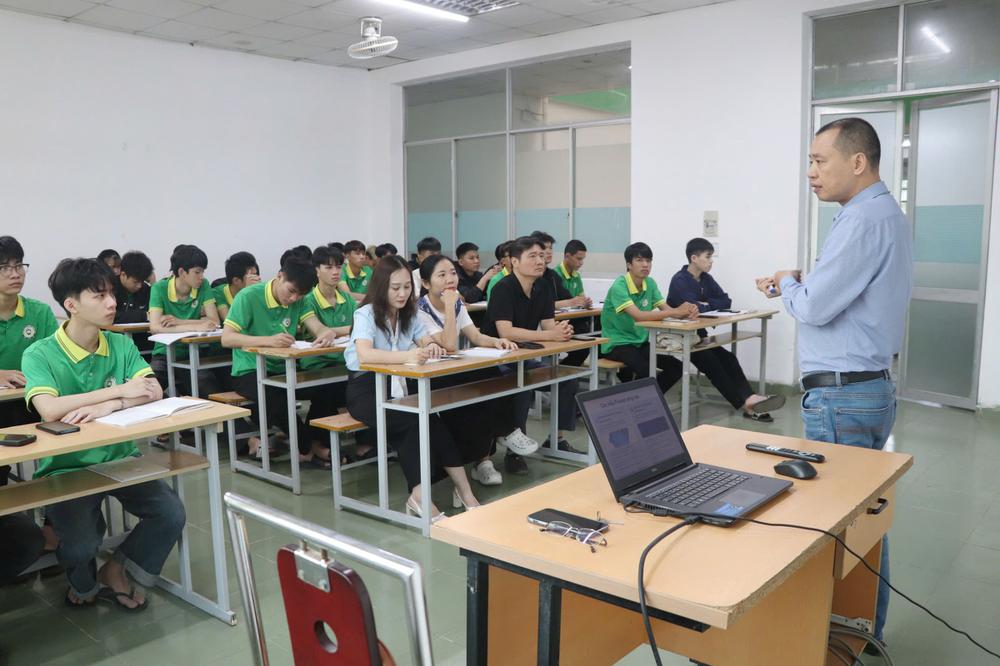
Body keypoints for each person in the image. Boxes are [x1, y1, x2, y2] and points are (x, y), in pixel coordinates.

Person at [756, 117, 911, 651]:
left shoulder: (861, 219)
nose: (811, 172)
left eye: (820, 160)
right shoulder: (884, 215)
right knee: (864, 519)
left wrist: (789, 282)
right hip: (868, 387)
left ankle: (833, 639)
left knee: (836, 523)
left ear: (858, 161)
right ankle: (864, 631)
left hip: (842, 395)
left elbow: (815, 308)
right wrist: (802, 282)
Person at [23, 257, 184, 612]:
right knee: (81, 544)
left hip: (121, 457)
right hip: (67, 467)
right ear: (71, 304)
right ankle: (83, 581)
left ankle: (116, 569)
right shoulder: (40, 353)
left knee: (170, 513)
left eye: (111, 293)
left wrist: (110, 406)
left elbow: (154, 390)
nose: (112, 303)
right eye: (99, 296)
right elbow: (49, 409)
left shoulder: (120, 344)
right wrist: (120, 390)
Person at [344, 255, 480, 520]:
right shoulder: (365, 314)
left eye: (407, 287)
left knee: (433, 420)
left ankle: (466, 493)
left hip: (399, 386)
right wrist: (408, 355)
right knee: (412, 421)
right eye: (395, 288)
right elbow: (365, 354)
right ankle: (419, 496)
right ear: (381, 287)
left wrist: (431, 347)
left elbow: (430, 342)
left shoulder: (410, 314)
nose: (402, 293)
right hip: (366, 389)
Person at [416, 255, 539, 486]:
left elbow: (474, 335)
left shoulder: (456, 303)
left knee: (491, 378)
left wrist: (496, 341)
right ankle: (497, 442)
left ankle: (492, 451)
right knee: (477, 392)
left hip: (452, 370)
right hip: (429, 377)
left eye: (452, 273)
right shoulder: (420, 310)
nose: (450, 279)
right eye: (441, 275)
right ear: (426, 283)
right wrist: (450, 306)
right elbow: (449, 345)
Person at [222, 254, 342, 465]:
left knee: (326, 388)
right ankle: (308, 446)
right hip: (249, 371)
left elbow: (316, 326)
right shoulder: (248, 296)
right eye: (291, 291)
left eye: (300, 294)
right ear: (280, 276)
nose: (294, 299)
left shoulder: (301, 299)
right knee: (277, 398)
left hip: (284, 368)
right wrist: (268, 341)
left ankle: (315, 441)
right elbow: (227, 338)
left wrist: (326, 333)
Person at [482, 236, 579, 473]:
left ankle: (557, 439)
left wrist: (561, 331)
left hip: (523, 356)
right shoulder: (503, 288)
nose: (540, 261)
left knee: (567, 380)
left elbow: (548, 325)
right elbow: (506, 332)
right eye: (533, 256)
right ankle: (514, 453)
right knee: (521, 383)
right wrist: (550, 335)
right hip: (494, 359)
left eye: (542, 256)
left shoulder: (543, 286)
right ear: (514, 262)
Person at [668, 238, 786, 421]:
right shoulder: (680, 280)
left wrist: (705, 304)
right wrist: (705, 305)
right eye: (708, 257)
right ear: (694, 258)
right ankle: (746, 405)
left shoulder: (706, 279)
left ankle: (750, 397)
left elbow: (725, 301)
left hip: (699, 335)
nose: (711, 261)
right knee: (712, 363)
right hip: (679, 337)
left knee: (728, 358)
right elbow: (692, 309)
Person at [600, 242, 698, 394]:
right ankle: (640, 401)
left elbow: (667, 310)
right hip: (617, 343)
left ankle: (647, 400)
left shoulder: (650, 283)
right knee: (647, 371)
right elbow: (639, 316)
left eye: (648, 260)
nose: (645, 265)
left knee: (676, 367)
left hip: (640, 342)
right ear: (629, 265)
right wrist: (675, 312)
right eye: (639, 260)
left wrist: (687, 312)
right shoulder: (619, 286)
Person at [0, 236, 59, 487]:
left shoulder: (39, 312)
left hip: (33, 400)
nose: (15, 274)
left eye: (19, 266)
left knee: (66, 441)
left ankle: (57, 506)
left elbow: (56, 358)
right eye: (4, 267)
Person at [300, 245, 357, 457]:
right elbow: (319, 331)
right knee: (329, 389)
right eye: (329, 267)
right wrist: (344, 330)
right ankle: (319, 443)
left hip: (343, 362)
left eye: (339, 267)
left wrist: (334, 331)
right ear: (316, 270)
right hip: (316, 364)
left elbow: (359, 327)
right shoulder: (307, 300)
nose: (335, 272)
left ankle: (364, 442)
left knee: (366, 383)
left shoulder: (346, 298)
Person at [148, 245, 223, 397]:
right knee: (148, 389)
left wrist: (179, 321)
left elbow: (214, 321)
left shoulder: (203, 285)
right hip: (164, 352)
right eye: (197, 272)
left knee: (208, 389)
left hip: (192, 353)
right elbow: (155, 327)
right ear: (182, 272)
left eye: (203, 271)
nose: (201, 277)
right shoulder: (160, 288)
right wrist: (196, 326)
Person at [533, 231, 592, 369]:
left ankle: (561, 372)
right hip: (536, 328)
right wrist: (570, 302)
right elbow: (539, 306)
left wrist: (579, 301)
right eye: (544, 248)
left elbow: (568, 297)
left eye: (550, 248)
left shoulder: (552, 275)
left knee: (584, 341)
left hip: (553, 322)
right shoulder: (528, 278)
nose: (548, 252)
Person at [213, 251, 260, 320]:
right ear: (236, 280)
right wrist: (246, 292)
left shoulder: (259, 291)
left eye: (256, 274)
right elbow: (229, 320)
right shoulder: (218, 293)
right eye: (252, 276)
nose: (257, 279)